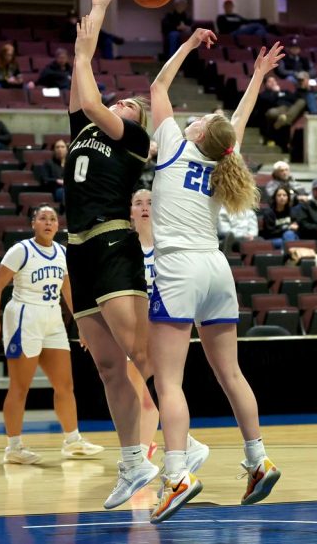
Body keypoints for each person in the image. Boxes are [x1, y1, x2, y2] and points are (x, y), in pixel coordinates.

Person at [65, 0, 208, 510]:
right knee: (106, 366)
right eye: (120, 99)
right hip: (78, 249)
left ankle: (184, 443)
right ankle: (132, 463)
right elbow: (84, 83)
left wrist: (96, 20)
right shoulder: (86, 127)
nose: (124, 101)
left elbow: (94, 91)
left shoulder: (134, 139)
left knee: (142, 353)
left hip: (110, 242)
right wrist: (92, 25)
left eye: (131, 101)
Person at [146, 18, 283, 524]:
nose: (194, 117)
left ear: (198, 132)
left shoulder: (175, 146)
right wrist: (257, 76)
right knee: (230, 372)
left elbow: (158, 85)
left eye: (200, 117)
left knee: (170, 383)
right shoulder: (221, 156)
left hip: (180, 268)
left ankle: (177, 473)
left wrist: (185, 43)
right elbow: (238, 121)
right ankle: (257, 458)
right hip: (216, 270)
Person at [0, 205, 105, 464]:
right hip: (24, 318)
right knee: (20, 387)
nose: (48, 222)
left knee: (65, 385)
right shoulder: (21, 250)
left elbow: (69, 292)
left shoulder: (62, 252)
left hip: (52, 319)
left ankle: (73, 441)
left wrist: (82, 324)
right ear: (33, 224)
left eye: (52, 219)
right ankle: (13, 447)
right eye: (43, 218)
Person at [128, 188, 167, 459]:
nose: (144, 207)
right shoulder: (124, 248)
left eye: (150, 202)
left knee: (151, 392)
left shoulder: (168, 247)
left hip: (162, 328)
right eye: (138, 203)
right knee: (134, 394)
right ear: (130, 211)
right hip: (131, 329)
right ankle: (144, 446)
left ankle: (141, 452)